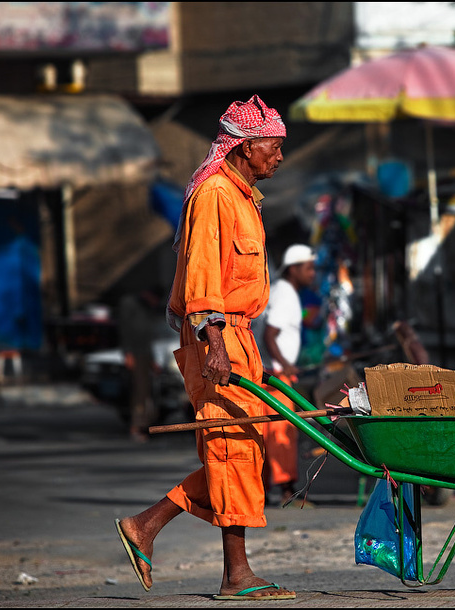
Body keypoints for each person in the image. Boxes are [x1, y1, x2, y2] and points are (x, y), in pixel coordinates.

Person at [114, 94, 296, 601]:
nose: (279, 157)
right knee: (231, 449)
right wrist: (214, 342)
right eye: (273, 147)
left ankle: (146, 525)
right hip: (216, 339)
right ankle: (235, 574)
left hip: (238, 336)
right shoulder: (215, 193)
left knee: (243, 450)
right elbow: (202, 277)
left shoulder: (242, 197)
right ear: (242, 148)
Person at [257, 244, 317, 506]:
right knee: (282, 434)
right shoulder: (285, 294)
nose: (313, 273)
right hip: (276, 378)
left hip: (276, 375)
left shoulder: (285, 291)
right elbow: (270, 335)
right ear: (294, 269)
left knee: (270, 434)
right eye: (308, 268)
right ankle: (286, 491)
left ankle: (270, 489)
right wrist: (285, 364)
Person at [117, 288, 161, 442]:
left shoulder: (146, 310)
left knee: (147, 391)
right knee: (139, 391)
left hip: (145, 354)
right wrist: (128, 353)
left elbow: (146, 336)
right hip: (135, 354)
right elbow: (126, 331)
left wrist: (152, 360)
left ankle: (144, 425)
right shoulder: (130, 304)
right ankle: (136, 427)